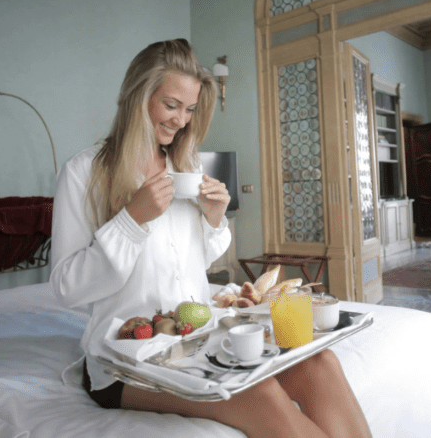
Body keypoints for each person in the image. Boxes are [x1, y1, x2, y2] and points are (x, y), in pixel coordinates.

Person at [50, 39, 372, 438]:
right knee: (264, 394)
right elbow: (65, 288)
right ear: (137, 96)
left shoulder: (183, 165)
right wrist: (131, 219)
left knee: (322, 365)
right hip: (125, 357)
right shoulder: (83, 172)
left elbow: (188, 264)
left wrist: (215, 219)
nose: (181, 121)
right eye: (171, 105)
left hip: (198, 338)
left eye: (189, 109)